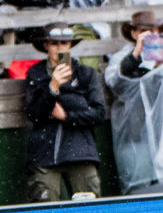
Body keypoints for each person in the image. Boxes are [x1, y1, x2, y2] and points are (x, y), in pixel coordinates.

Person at [23, 21, 106, 201]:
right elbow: (33, 115)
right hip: (44, 154)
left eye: (64, 43)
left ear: (70, 45)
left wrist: (66, 116)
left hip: (81, 152)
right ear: (46, 45)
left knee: (89, 209)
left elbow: (99, 113)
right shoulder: (36, 73)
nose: (59, 48)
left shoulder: (85, 73)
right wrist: (52, 88)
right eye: (54, 43)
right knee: (45, 208)